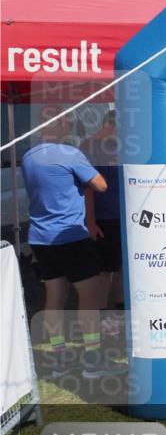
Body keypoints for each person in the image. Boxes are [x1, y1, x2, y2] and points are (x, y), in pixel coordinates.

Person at [22, 106, 123, 378]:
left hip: (40, 237)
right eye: (67, 121)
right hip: (70, 235)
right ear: (59, 125)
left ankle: (59, 360)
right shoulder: (70, 153)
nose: (70, 125)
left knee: (54, 296)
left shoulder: (29, 155)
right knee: (89, 297)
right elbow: (100, 185)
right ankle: (93, 359)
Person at [80, 111, 125, 318]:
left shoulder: (125, 145)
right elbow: (87, 187)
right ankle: (102, 312)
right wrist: (90, 221)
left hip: (126, 215)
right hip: (104, 217)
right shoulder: (91, 146)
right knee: (105, 269)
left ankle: (120, 308)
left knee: (122, 266)